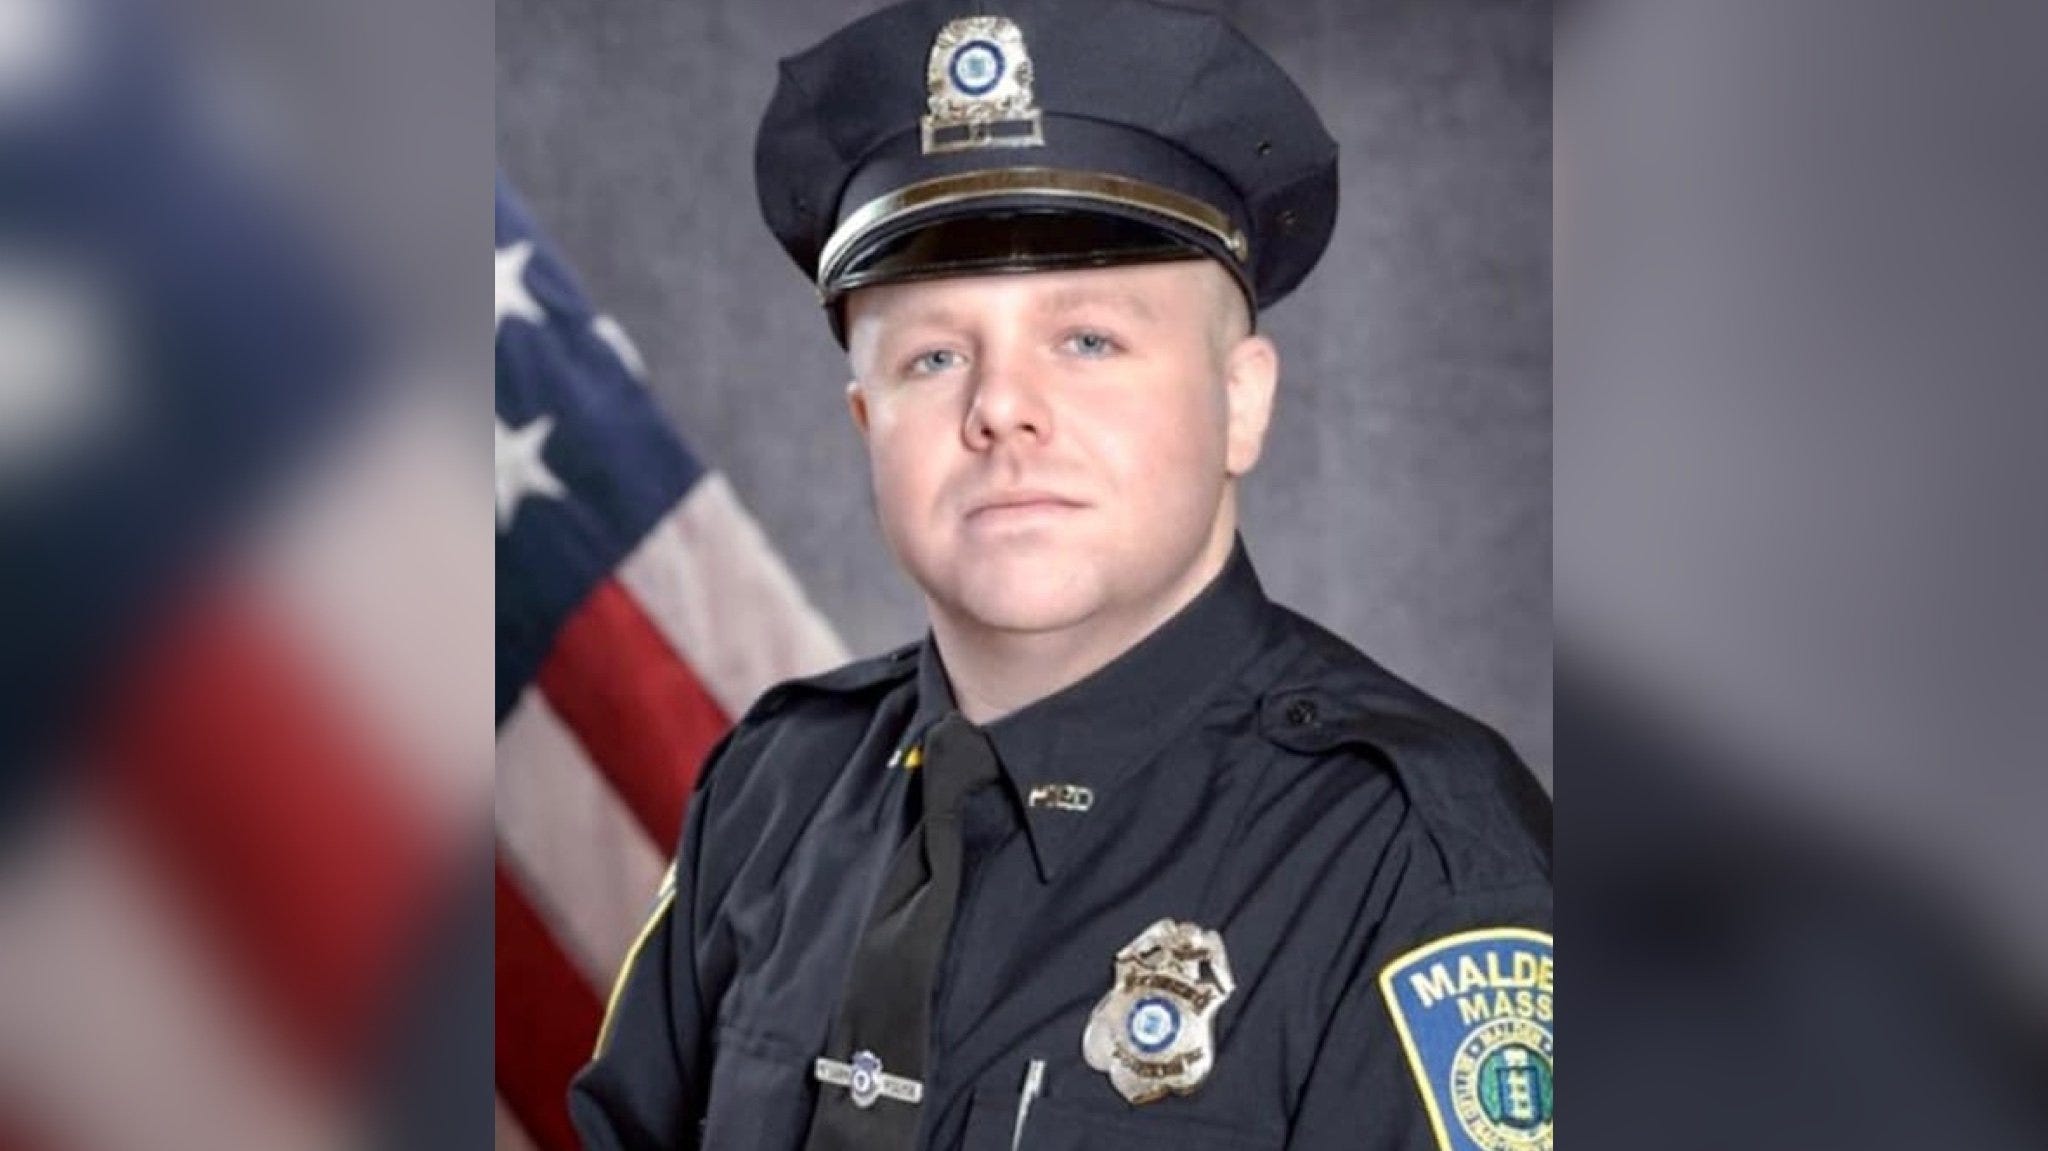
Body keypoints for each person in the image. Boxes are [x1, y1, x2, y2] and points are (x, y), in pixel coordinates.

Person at [569, 1, 1551, 1148]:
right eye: (934, 356)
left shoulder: (1411, 857)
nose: (1000, 408)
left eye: (1087, 340)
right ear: (866, 423)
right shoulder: (773, 789)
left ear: (1239, 402)